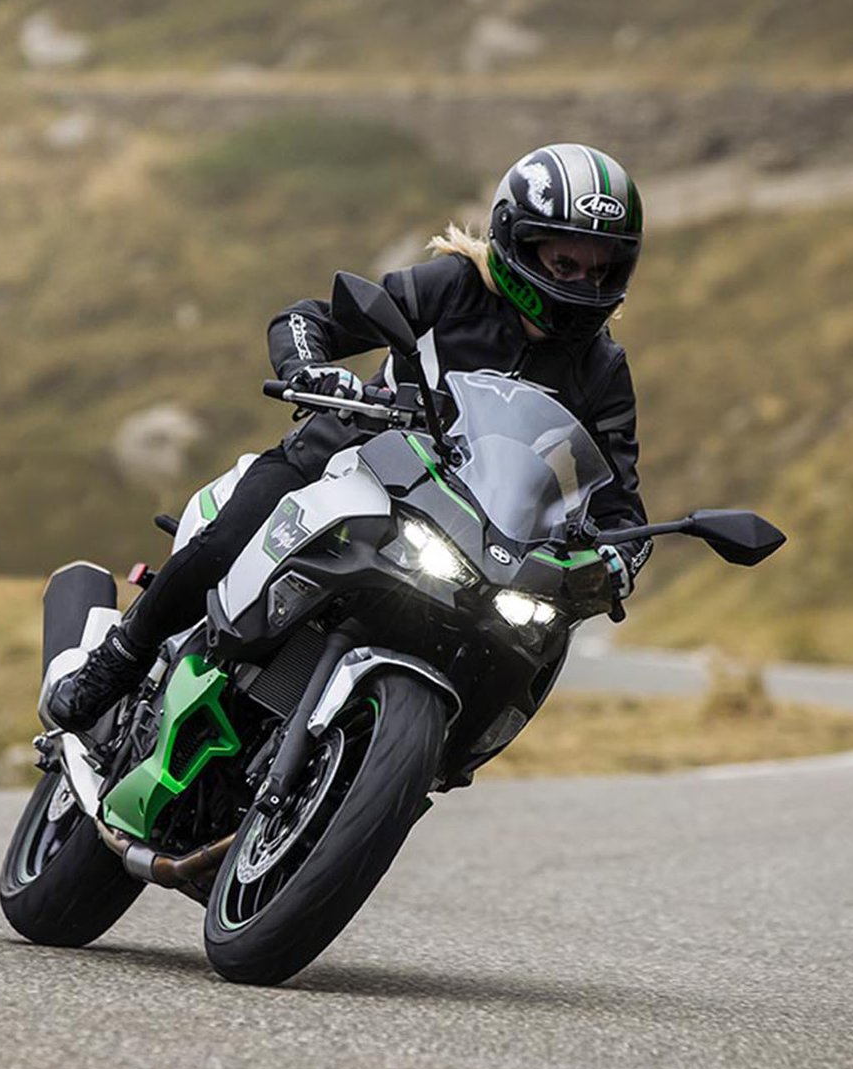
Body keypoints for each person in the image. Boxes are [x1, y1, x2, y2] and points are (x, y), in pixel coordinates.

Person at [44, 142, 651, 745]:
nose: (582, 281)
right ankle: (117, 660)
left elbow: (620, 503)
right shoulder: (455, 288)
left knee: (515, 641)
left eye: (600, 268)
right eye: (564, 262)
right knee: (228, 540)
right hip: (351, 461)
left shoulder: (602, 370)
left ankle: (408, 757)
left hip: (474, 531)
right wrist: (310, 371)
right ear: (516, 241)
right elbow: (308, 320)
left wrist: (621, 556)